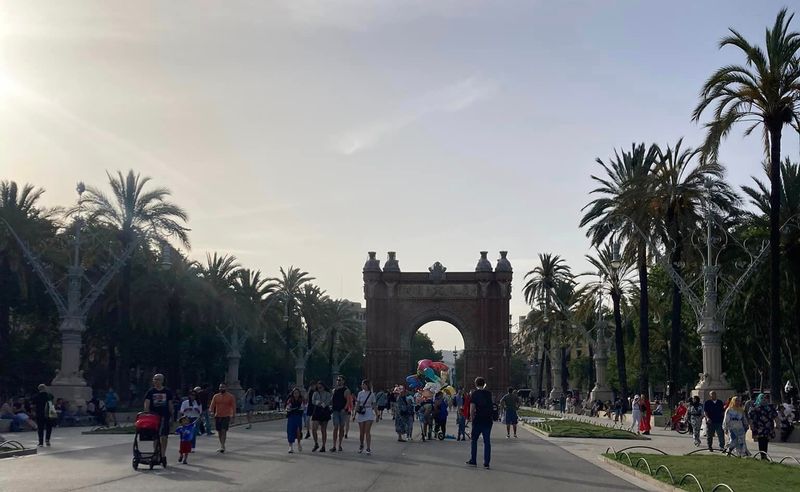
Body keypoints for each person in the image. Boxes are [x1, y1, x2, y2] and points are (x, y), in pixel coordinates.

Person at [143, 373, 174, 456]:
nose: (156, 381)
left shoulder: (167, 392)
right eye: (155, 379)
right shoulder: (150, 392)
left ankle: (163, 454)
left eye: (158, 379)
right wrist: (146, 414)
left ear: (162, 381)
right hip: (154, 417)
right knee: (156, 437)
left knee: (164, 436)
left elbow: (170, 405)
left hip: (165, 416)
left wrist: (172, 416)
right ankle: (156, 453)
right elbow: (147, 403)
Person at [466, 376, 493, 469]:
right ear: (484, 384)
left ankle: (473, 460)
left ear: (476, 384)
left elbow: (472, 409)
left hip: (478, 420)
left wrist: (471, 419)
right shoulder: (489, 393)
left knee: (474, 440)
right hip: (488, 420)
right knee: (487, 441)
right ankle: (486, 463)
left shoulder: (474, 394)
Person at [209, 383, 236, 453]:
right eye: (220, 387)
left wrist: (233, 416)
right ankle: (221, 444)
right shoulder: (216, 396)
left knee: (223, 430)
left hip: (226, 416)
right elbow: (212, 406)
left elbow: (233, 407)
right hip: (217, 416)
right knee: (219, 431)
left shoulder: (230, 397)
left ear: (226, 388)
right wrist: (211, 412)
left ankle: (222, 446)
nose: (221, 388)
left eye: (223, 387)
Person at [354, 379, 376, 455]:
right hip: (361, 412)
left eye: (363, 384)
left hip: (369, 411)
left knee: (367, 431)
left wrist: (377, 414)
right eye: (362, 384)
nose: (362, 385)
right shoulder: (360, 393)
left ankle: (368, 448)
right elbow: (357, 404)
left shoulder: (372, 394)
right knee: (361, 432)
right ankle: (361, 445)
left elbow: (374, 405)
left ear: (367, 385)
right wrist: (354, 414)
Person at [330, 376, 350, 452]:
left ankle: (340, 445)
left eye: (340, 380)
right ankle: (334, 445)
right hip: (335, 411)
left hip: (342, 411)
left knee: (341, 428)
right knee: (335, 427)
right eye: (337, 380)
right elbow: (332, 400)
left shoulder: (346, 390)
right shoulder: (334, 390)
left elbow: (348, 401)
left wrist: (344, 409)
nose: (338, 381)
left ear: (343, 381)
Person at [311, 381, 332, 452]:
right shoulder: (315, 393)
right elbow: (312, 401)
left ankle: (323, 446)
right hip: (317, 410)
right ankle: (316, 443)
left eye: (321, 387)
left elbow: (328, 401)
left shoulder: (327, 393)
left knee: (323, 430)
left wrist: (322, 404)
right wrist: (318, 402)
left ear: (324, 387)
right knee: (314, 428)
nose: (319, 388)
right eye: (318, 387)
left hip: (324, 411)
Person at [285, 387, 305, 453]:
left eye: (297, 393)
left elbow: (303, 408)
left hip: (298, 417)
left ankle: (299, 443)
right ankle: (290, 446)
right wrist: (290, 409)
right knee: (290, 431)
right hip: (291, 417)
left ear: (299, 394)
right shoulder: (290, 400)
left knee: (298, 431)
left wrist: (299, 409)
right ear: (293, 394)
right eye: (295, 393)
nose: (296, 394)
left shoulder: (301, 400)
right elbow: (287, 407)